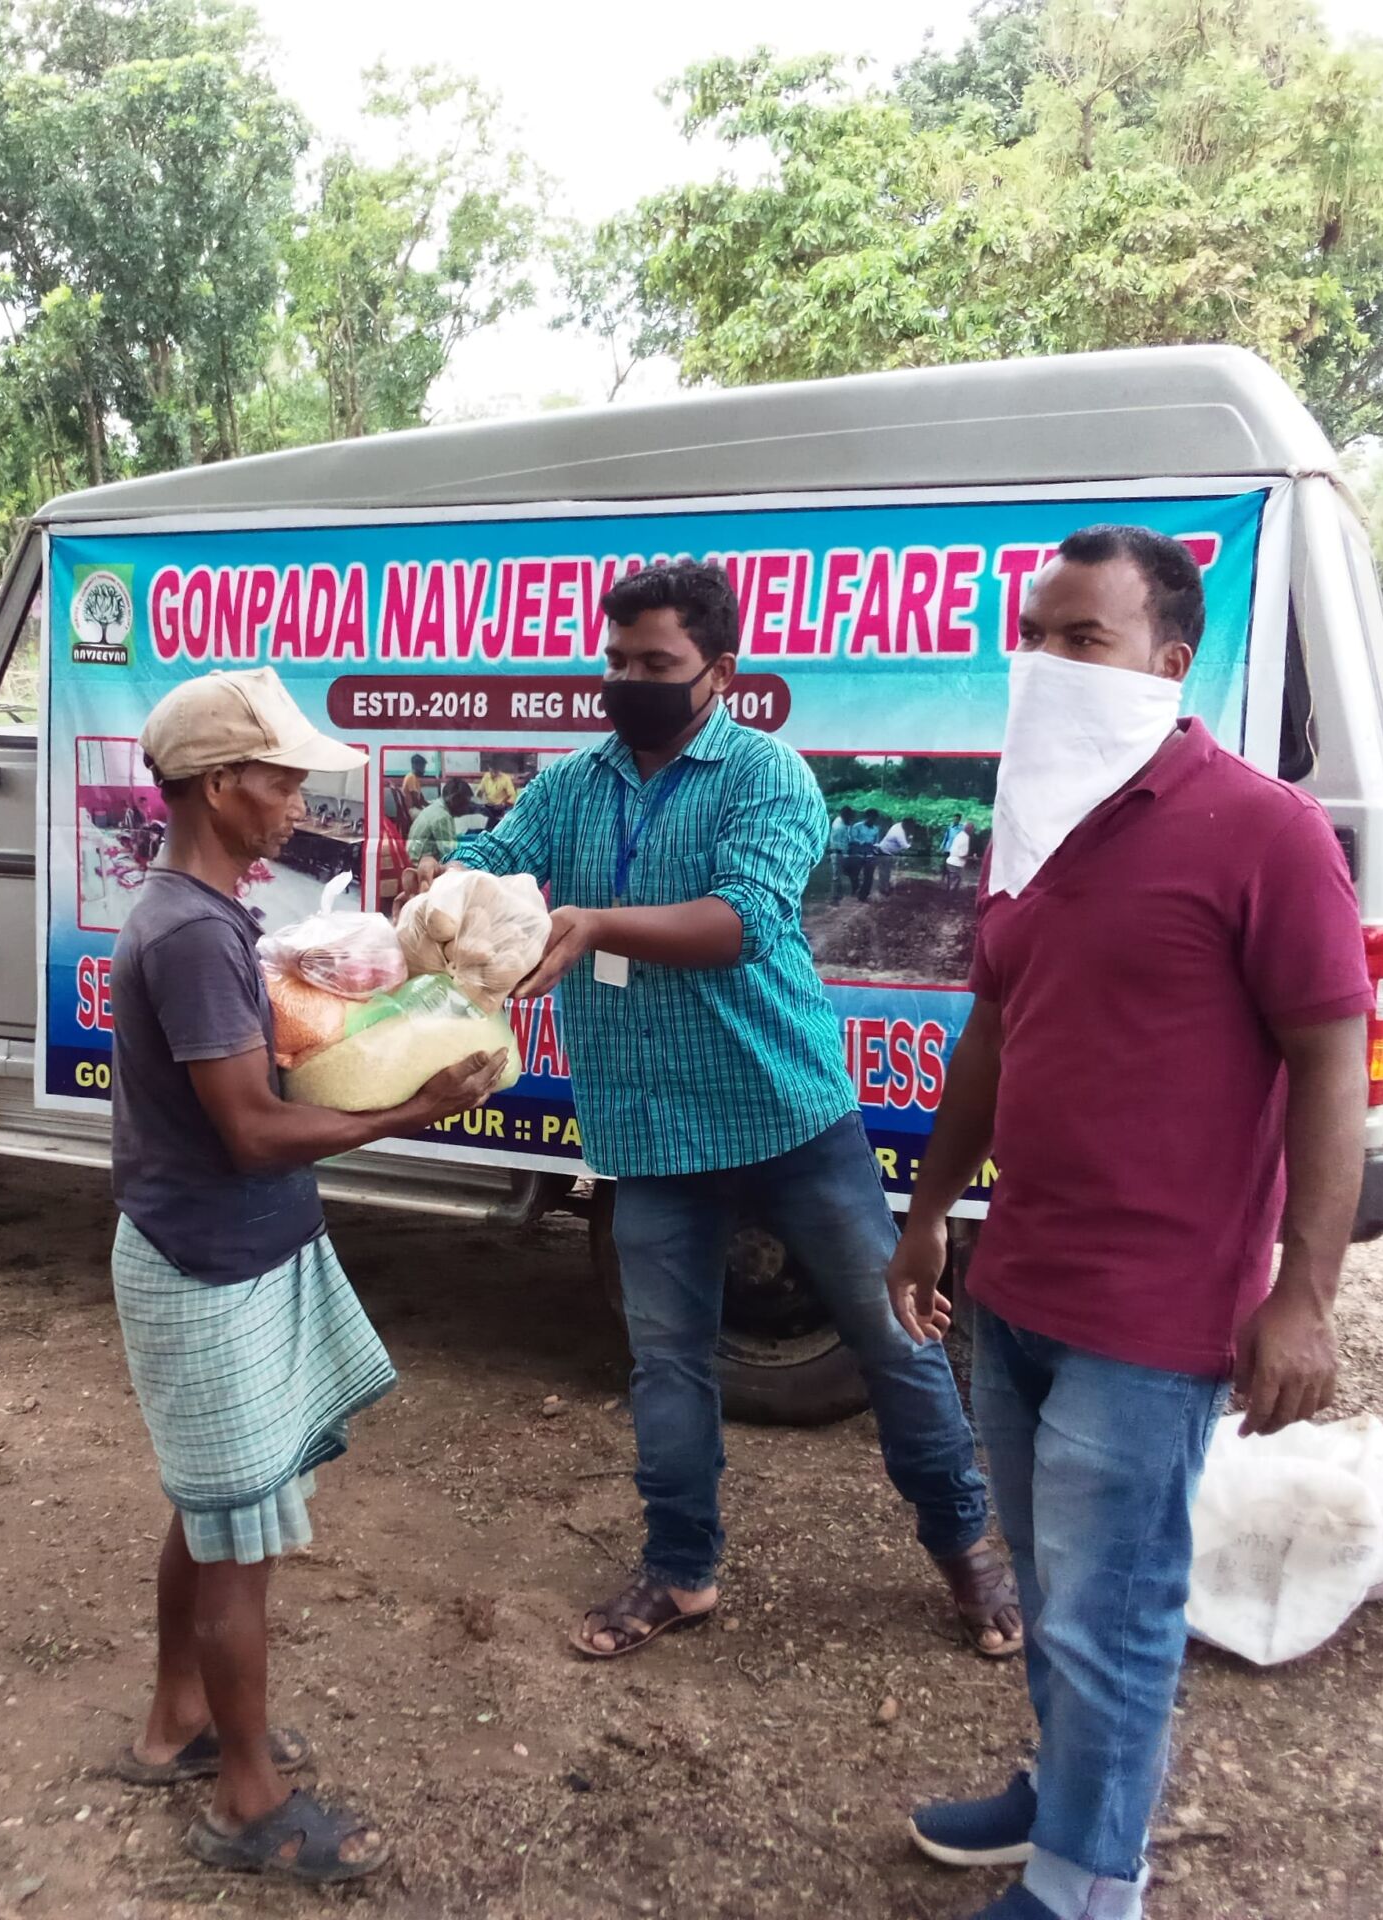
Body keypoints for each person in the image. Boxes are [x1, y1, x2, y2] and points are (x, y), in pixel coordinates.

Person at [886, 526, 1372, 1920]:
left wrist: (1306, 1293)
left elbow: (1330, 1062)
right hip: (1021, 1277)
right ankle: (1064, 1791)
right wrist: (928, 1215)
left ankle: (1091, 1883)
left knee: (1115, 1608)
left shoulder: (1260, 828)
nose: (1043, 662)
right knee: (1054, 1589)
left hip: (1153, 1315)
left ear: (1169, 665)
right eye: (1032, 633)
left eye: (1080, 639)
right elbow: (992, 1028)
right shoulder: (1034, 814)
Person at [407, 560, 1021, 1663]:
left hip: (783, 1109)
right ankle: (680, 1570)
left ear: (719, 671)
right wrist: (448, 887)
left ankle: (966, 1551)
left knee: (891, 1339)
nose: (628, 681)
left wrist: (594, 926)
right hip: (646, 1129)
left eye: (657, 664)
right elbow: (498, 855)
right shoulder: (576, 779)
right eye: (616, 660)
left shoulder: (767, 774)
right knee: (668, 1360)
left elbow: (740, 919)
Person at [102, 666, 503, 1886]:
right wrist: (421, 1105)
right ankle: (247, 1799)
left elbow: (269, 1090)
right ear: (221, 786)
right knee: (236, 1542)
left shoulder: (213, 918)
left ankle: (180, 1720)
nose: (296, 801)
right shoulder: (188, 933)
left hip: (224, 1245)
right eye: (280, 781)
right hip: (207, 1253)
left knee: (213, 1505)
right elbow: (250, 1130)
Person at [406, 777, 467, 866]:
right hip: (420, 865)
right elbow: (450, 855)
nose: (465, 809)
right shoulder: (443, 817)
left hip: (413, 856)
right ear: (454, 800)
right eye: (465, 804)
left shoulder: (436, 806)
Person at [878, 813, 915, 892]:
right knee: (884, 872)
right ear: (906, 824)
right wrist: (911, 841)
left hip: (886, 851)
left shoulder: (898, 825)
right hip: (885, 852)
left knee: (886, 872)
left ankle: (885, 887)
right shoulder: (899, 832)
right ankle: (884, 889)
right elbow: (905, 846)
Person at [944, 816, 975, 891]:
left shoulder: (959, 835)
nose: (973, 831)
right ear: (969, 829)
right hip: (956, 864)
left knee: (950, 884)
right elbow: (962, 855)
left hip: (950, 862)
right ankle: (951, 900)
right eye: (972, 829)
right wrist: (972, 858)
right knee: (953, 885)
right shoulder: (965, 838)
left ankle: (948, 898)